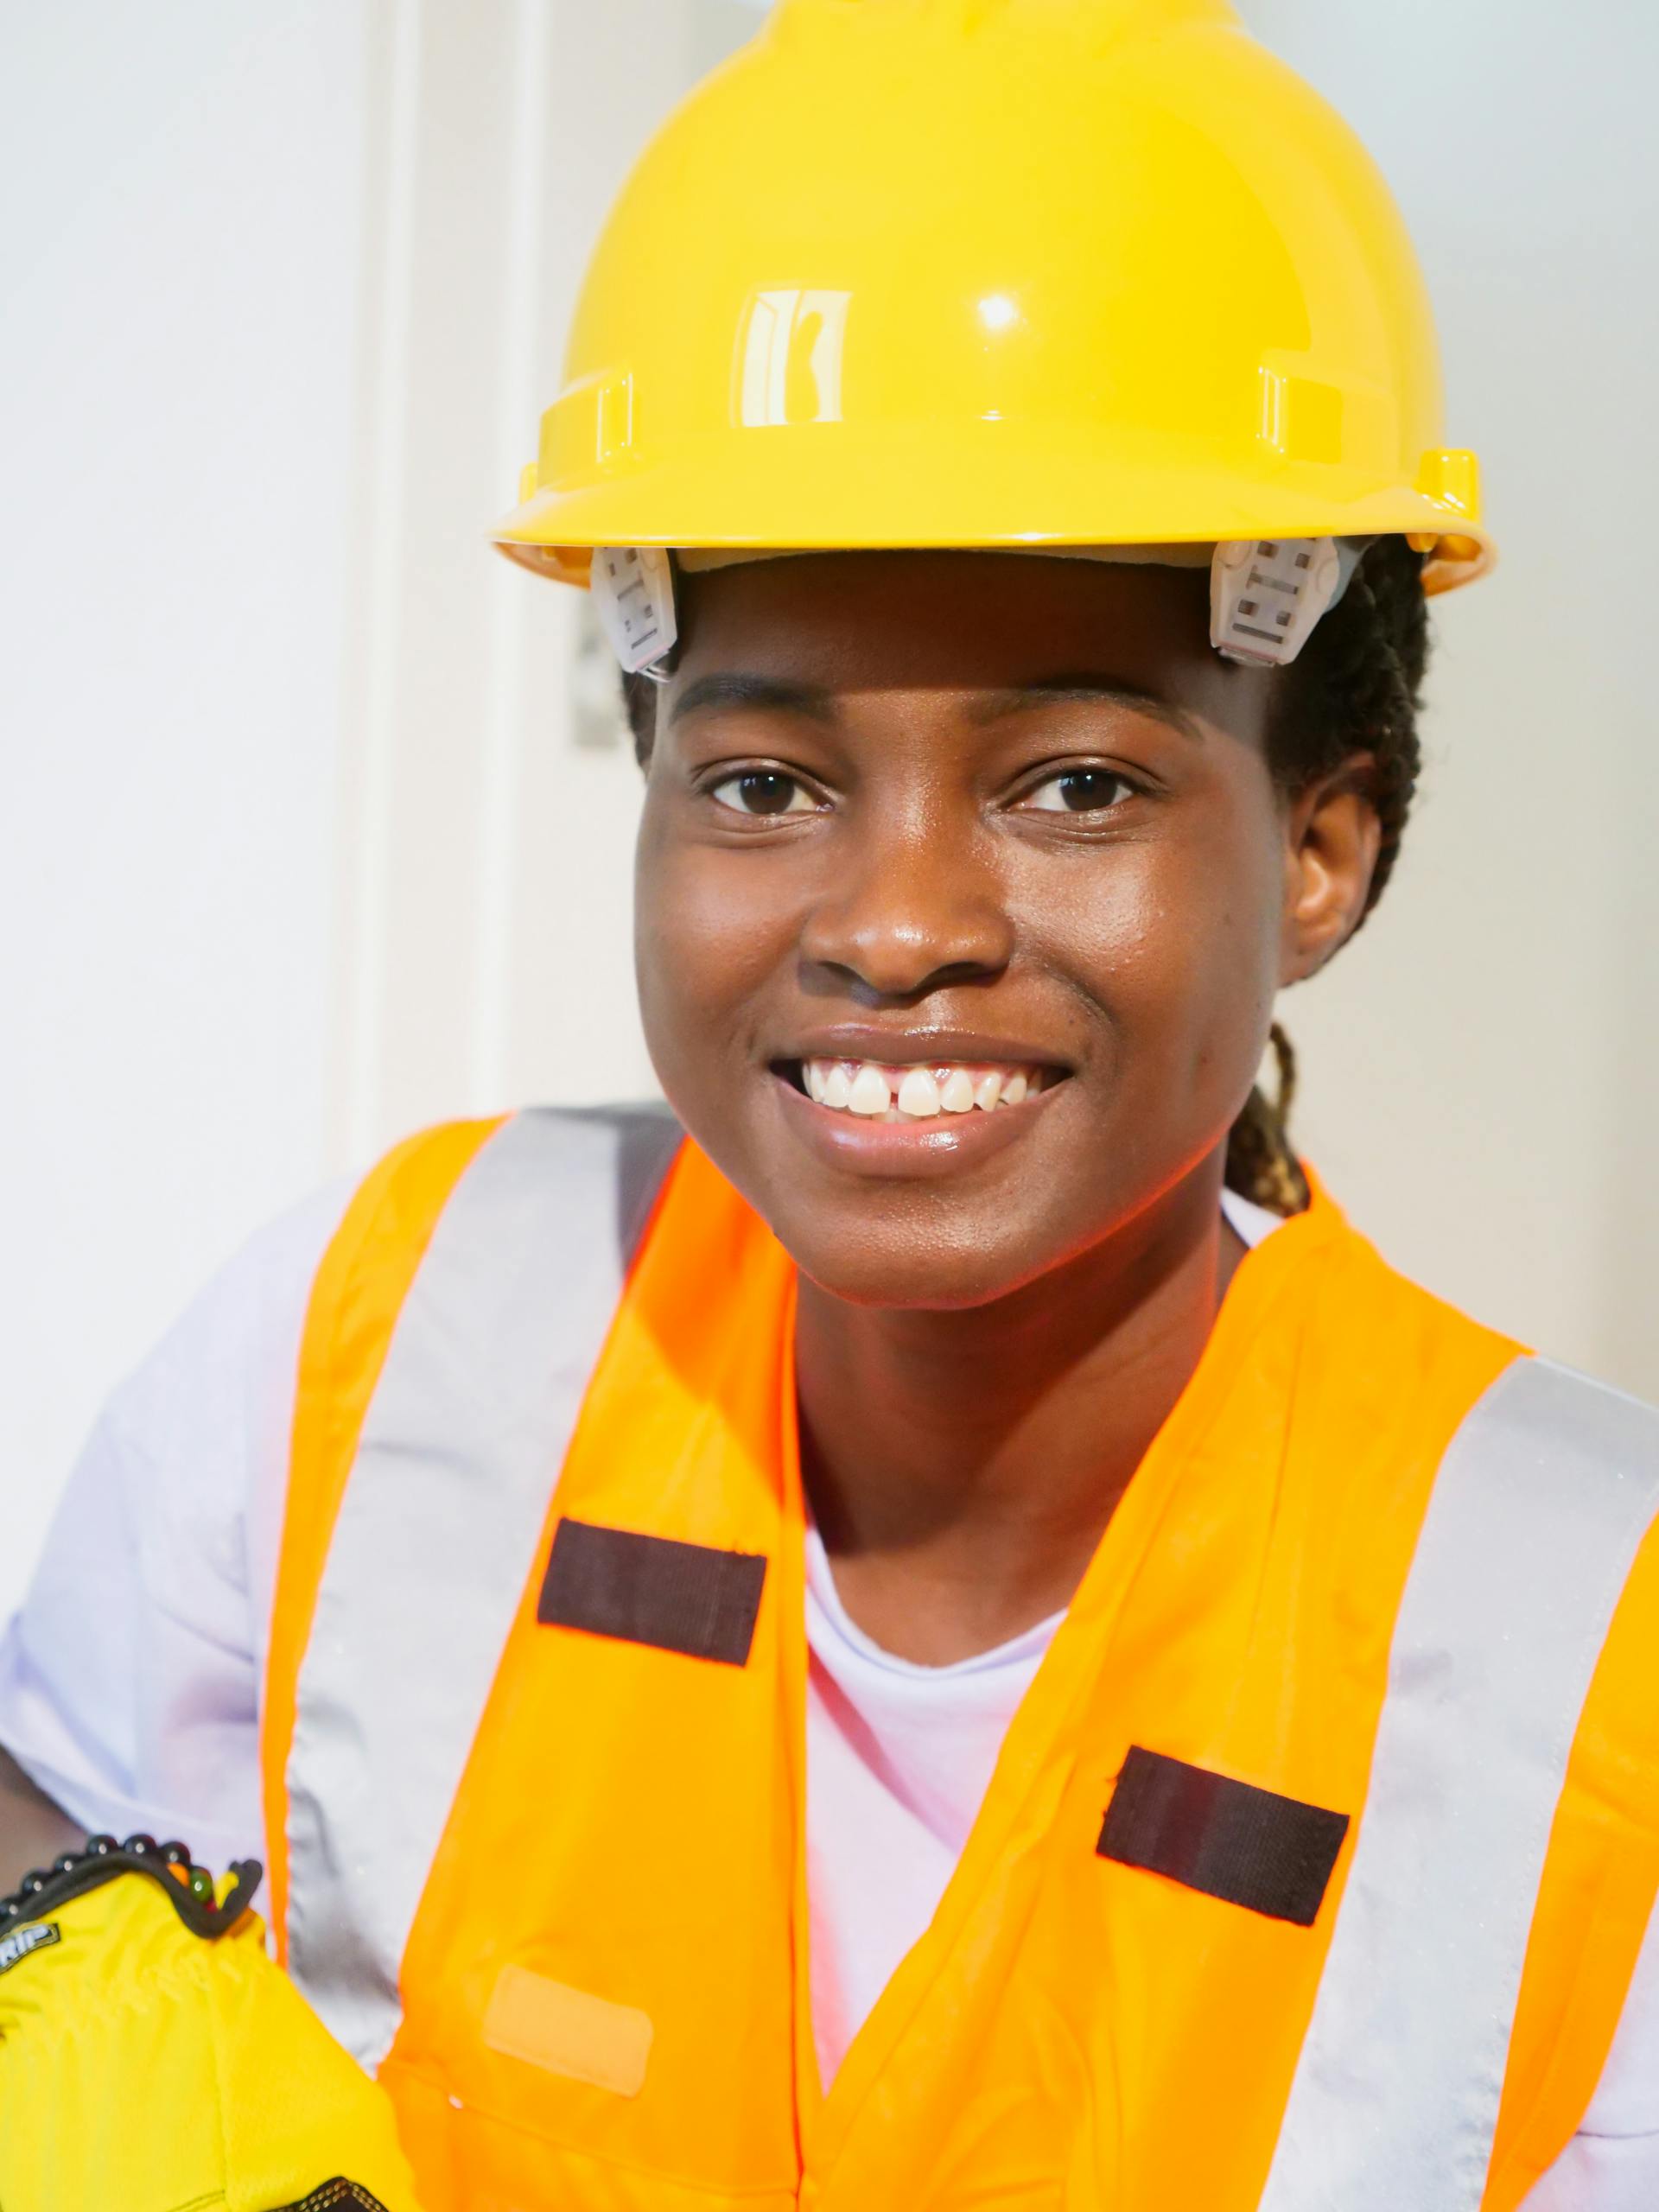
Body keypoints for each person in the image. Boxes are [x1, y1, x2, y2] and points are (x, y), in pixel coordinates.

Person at [3, 2, 1658, 2207]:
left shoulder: (1588, 1633)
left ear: (1320, 849)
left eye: (1076, 782)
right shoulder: (380, 1340)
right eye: (764, 781)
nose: (895, 922)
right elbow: (55, 1879)